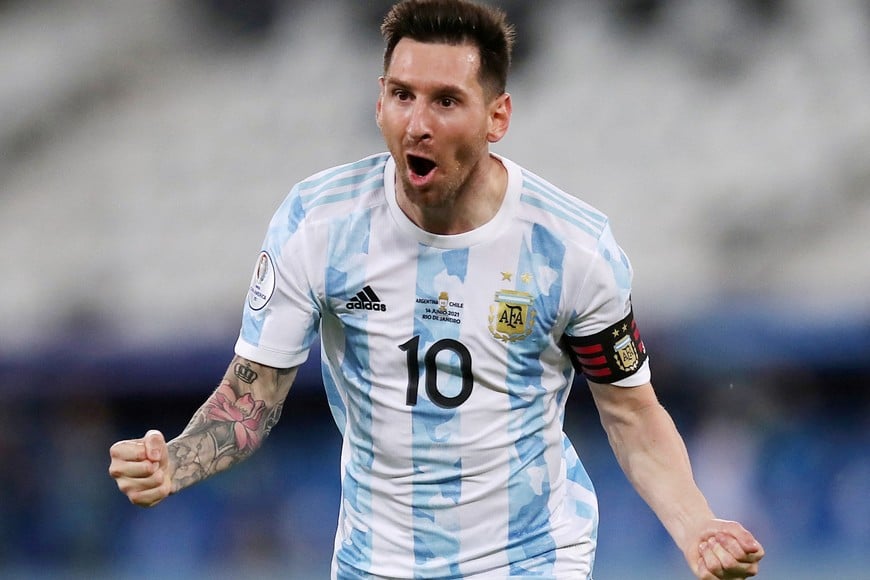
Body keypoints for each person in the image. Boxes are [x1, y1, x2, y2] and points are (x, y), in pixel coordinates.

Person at [109, 0, 765, 578]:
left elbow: (631, 414)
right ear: (378, 101)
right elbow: (251, 400)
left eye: (446, 101)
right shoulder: (320, 226)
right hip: (376, 560)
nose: (417, 123)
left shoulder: (571, 249)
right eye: (402, 95)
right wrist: (179, 462)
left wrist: (695, 524)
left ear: (496, 116)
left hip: (531, 556)